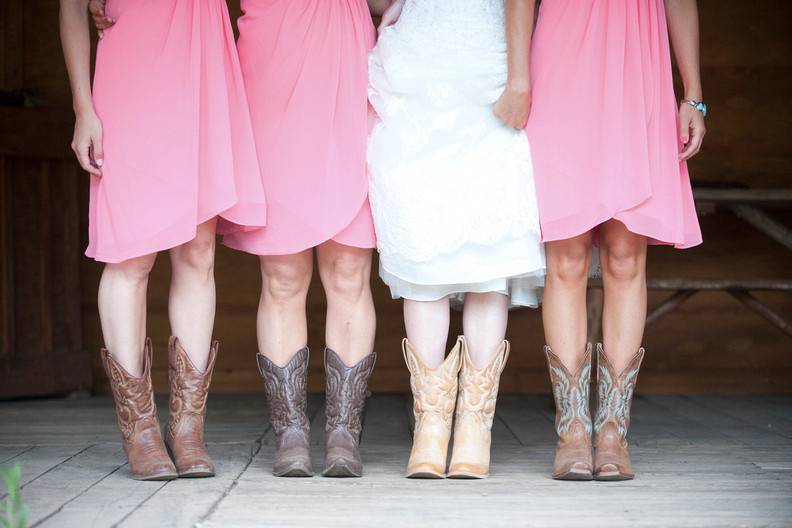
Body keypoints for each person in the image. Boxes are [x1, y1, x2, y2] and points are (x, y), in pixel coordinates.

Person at [61, 0, 266, 480]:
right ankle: (141, 431)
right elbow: (70, 6)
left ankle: (189, 430)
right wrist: (83, 108)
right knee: (130, 255)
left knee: (198, 253)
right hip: (133, 66)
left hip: (202, 62)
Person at [526, 0, 706, 481]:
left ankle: (612, 430)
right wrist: (518, 80)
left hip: (638, 63)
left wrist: (694, 95)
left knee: (626, 258)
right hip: (562, 62)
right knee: (566, 257)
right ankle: (571, 431)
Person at [369, 0, 545, 479]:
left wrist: (520, 79)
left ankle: (474, 427)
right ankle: (430, 425)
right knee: (421, 251)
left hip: (489, 62)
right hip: (419, 65)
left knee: (489, 256)